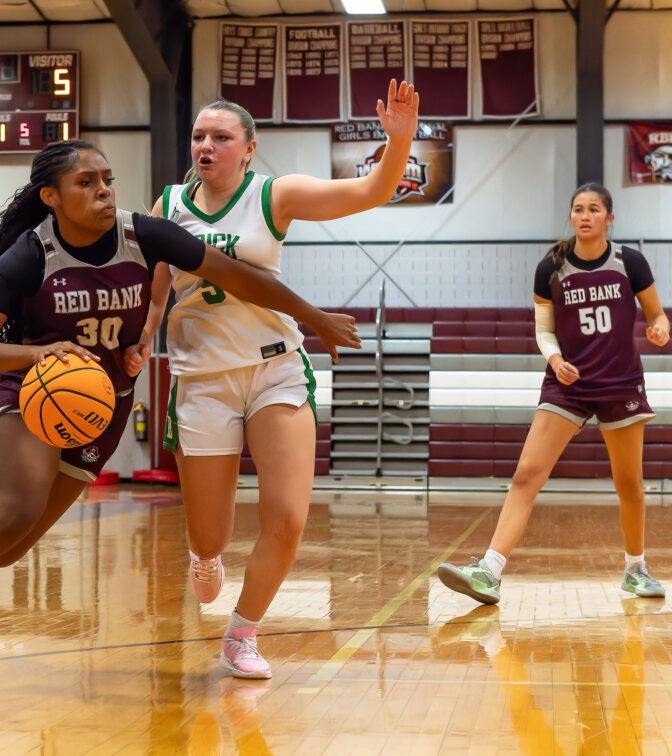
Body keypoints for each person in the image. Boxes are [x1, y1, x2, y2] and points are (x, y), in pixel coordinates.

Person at [0, 139, 359, 689]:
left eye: (107, 180)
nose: (103, 191)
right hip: (33, 392)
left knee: (16, 544)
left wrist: (314, 316)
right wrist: (35, 354)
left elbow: (235, 275)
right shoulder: (30, 255)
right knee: (12, 508)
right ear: (52, 196)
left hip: (103, 408)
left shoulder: (143, 235)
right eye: (86, 183)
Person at [127, 80, 419, 678]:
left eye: (221, 137)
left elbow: (370, 190)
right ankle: (204, 558)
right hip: (201, 378)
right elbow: (156, 293)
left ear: (249, 148)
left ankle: (242, 634)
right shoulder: (168, 205)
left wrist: (400, 141)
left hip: (274, 367)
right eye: (199, 136)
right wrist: (140, 341)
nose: (206, 146)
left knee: (286, 518)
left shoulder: (273, 196)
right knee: (212, 536)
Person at [437, 183, 669, 604]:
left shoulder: (630, 262)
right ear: (571, 217)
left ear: (608, 219)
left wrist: (660, 328)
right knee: (527, 474)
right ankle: (489, 570)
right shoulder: (551, 267)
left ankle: (635, 569)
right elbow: (543, 329)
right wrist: (555, 357)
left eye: (594, 209)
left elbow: (656, 314)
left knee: (629, 483)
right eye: (578, 209)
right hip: (568, 383)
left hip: (620, 383)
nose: (584, 215)